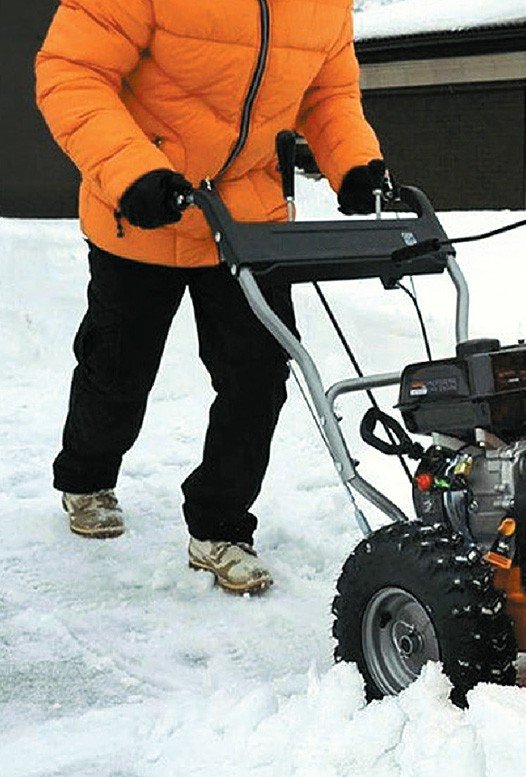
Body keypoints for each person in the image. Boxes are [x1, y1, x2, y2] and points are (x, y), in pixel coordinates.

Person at [35, 0, 391, 594]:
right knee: (118, 367)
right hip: (145, 206)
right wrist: (131, 172)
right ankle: (87, 477)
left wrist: (353, 163)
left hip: (247, 217)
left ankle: (220, 526)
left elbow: (327, 94)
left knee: (258, 375)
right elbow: (72, 71)